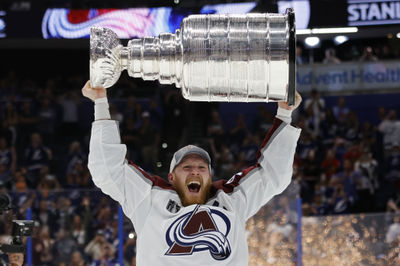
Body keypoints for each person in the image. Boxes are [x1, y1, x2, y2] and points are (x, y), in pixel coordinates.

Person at [83, 80, 302, 265]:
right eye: (187, 167)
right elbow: (108, 170)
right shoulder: (150, 199)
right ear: (171, 178)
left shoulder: (232, 201)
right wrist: (100, 102)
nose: (195, 172)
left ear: (210, 176)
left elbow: (272, 176)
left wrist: (285, 112)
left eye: (201, 168)